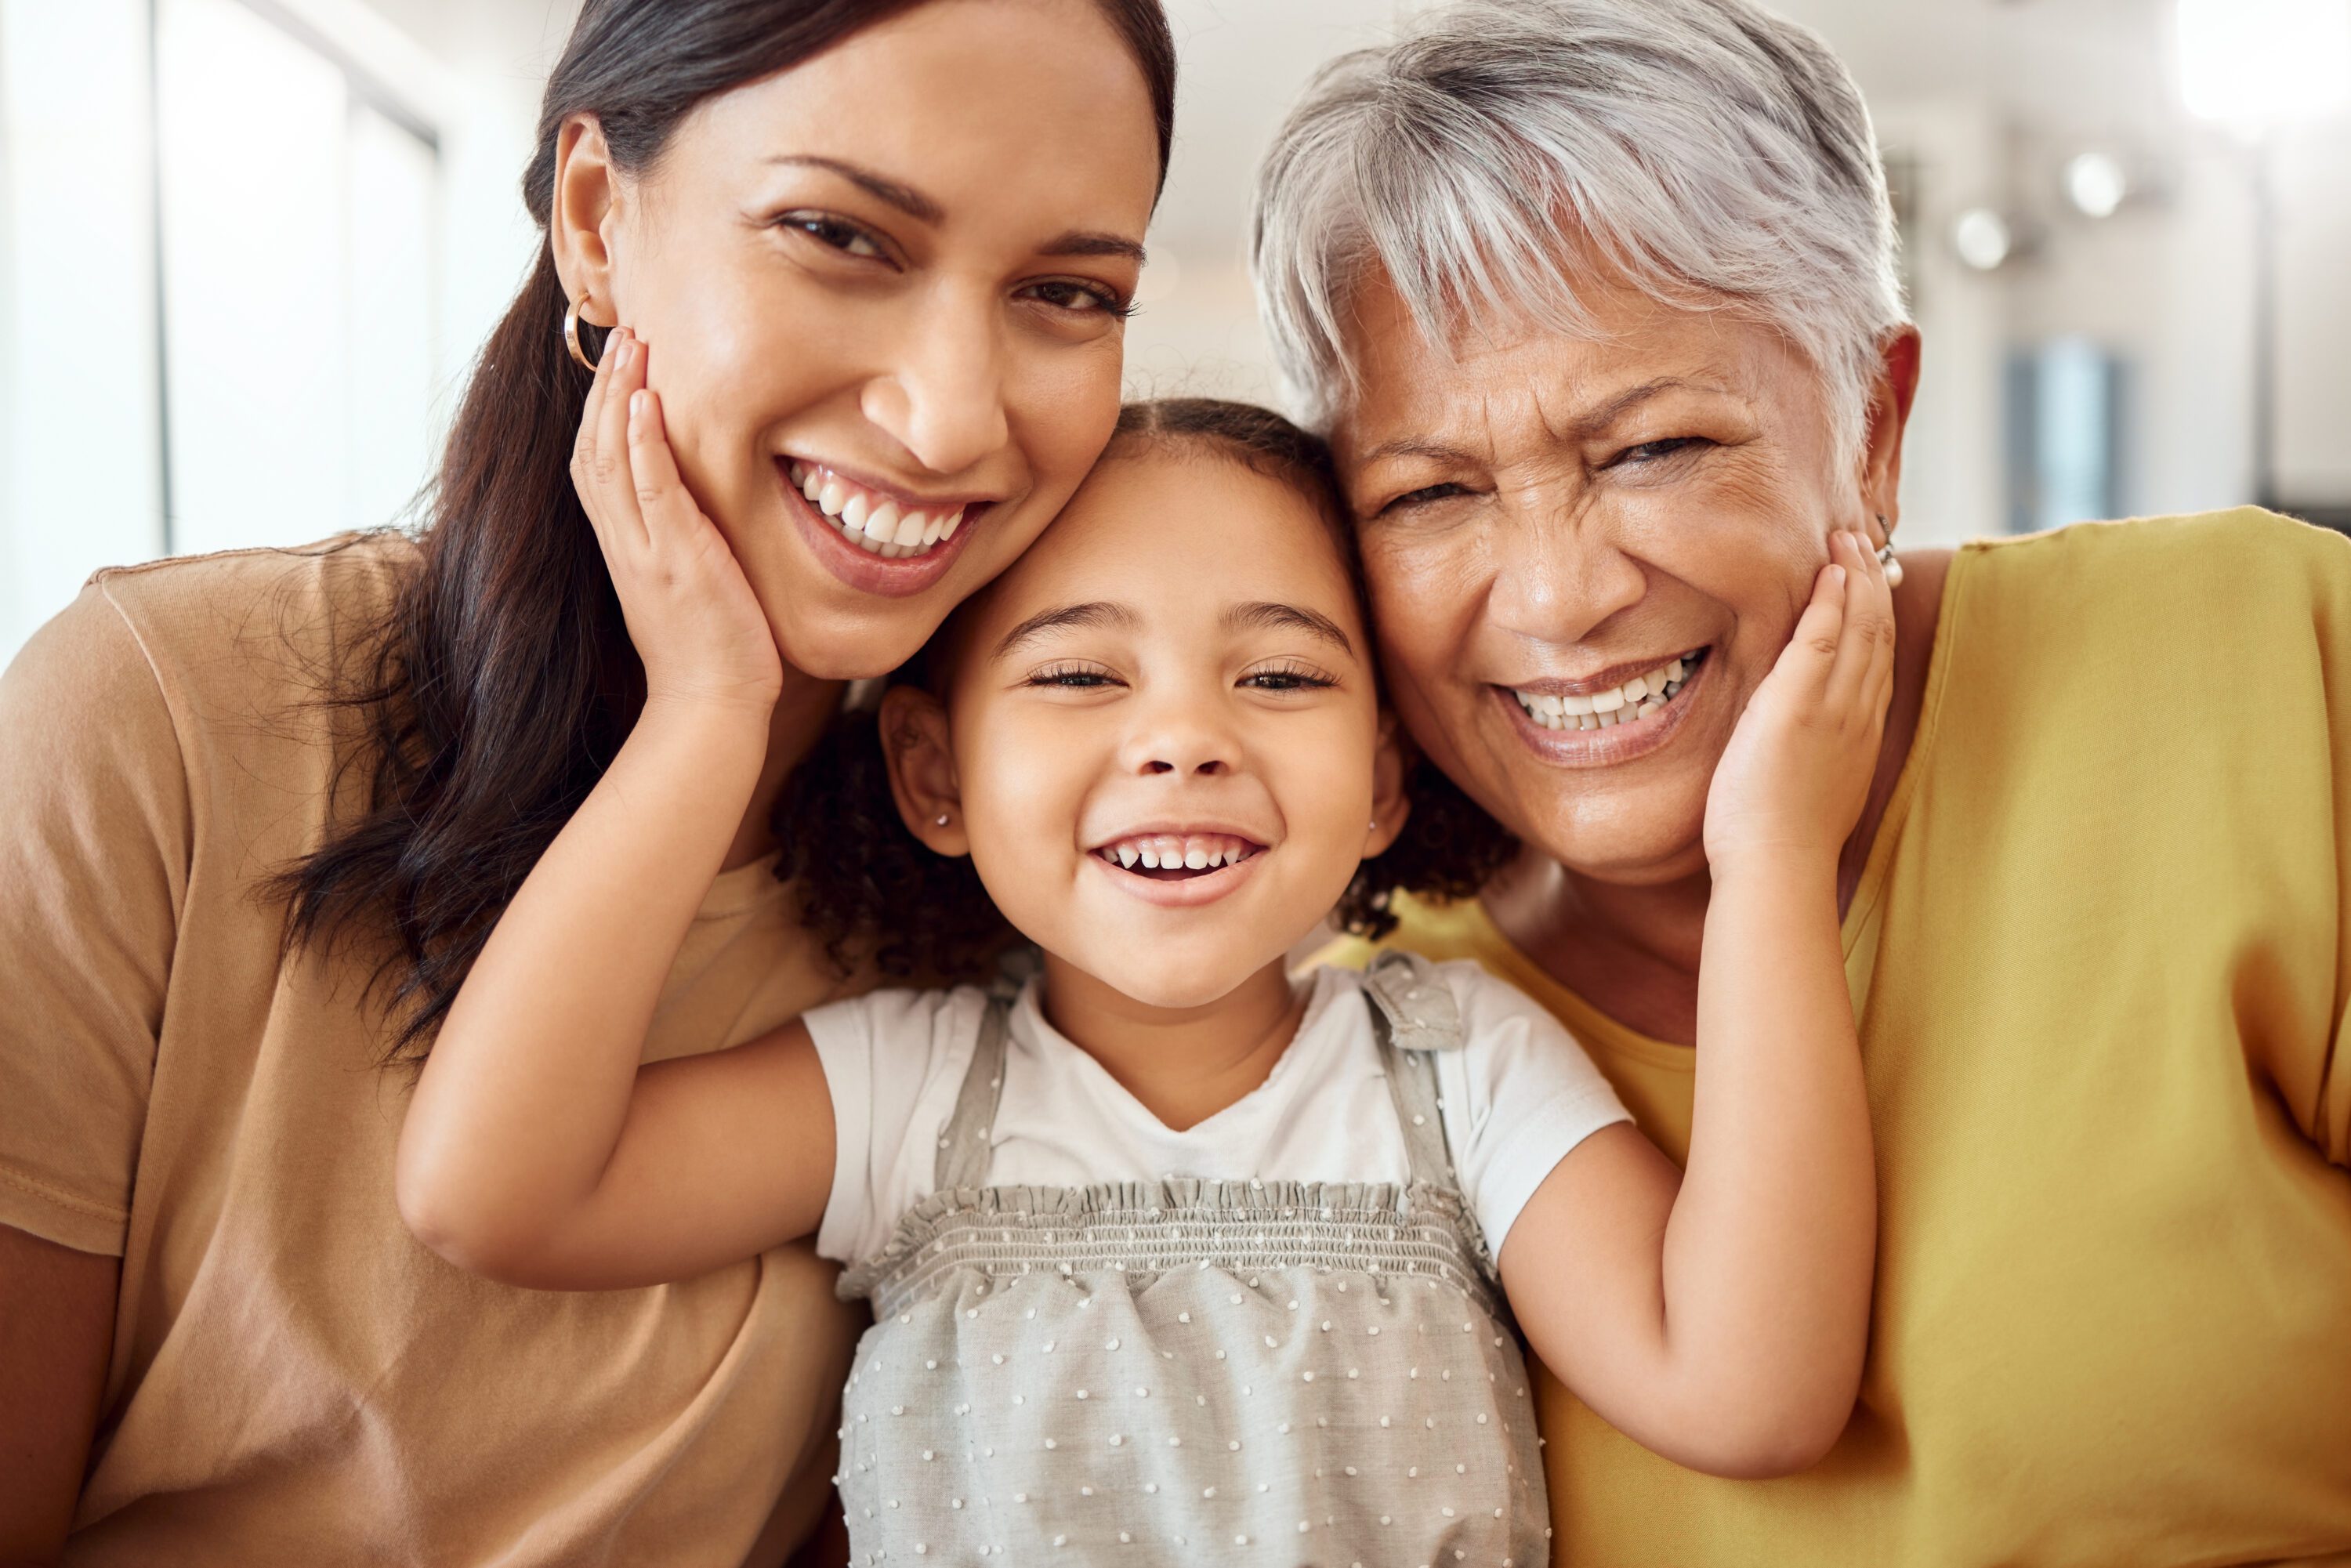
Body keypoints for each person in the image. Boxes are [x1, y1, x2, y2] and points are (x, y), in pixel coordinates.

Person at [0, 2, 1175, 1561]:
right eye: (839, 234)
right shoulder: (162, 711)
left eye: (1069, 290)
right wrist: (702, 722)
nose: (954, 414)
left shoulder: (1033, 885)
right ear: (595, 218)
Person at [393, 397, 1895, 1564]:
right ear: (933, 771)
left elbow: (1748, 1389)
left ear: (1382, 781)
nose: (1184, 737)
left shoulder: (1457, 1073)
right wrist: (707, 715)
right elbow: (494, 1189)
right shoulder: (910, 1093)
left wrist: (1768, 853)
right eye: (1079, 674)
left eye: (1282, 675)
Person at [1254, 0, 2351, 1560]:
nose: (1559, 595)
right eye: (1431, 490)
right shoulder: (1354, 1049)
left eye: (1649, 452)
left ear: (1875, 427)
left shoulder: (2256, 660)